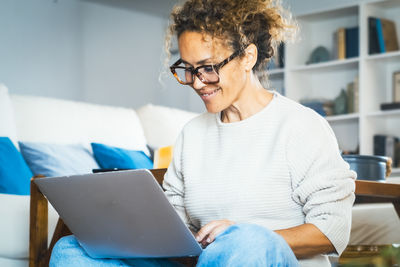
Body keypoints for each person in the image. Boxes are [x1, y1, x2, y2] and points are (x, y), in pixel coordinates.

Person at [50, 0, 356, 266]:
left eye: (208, 68)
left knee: (248, 242)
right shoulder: (192, 135)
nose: (197, 82)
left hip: (264, 258)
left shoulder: (301, 126)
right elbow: (175, 220)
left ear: (247, 57)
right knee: (72, 251)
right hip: (201, 261)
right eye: (188, 69)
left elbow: (332, 231)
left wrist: (236, 236)